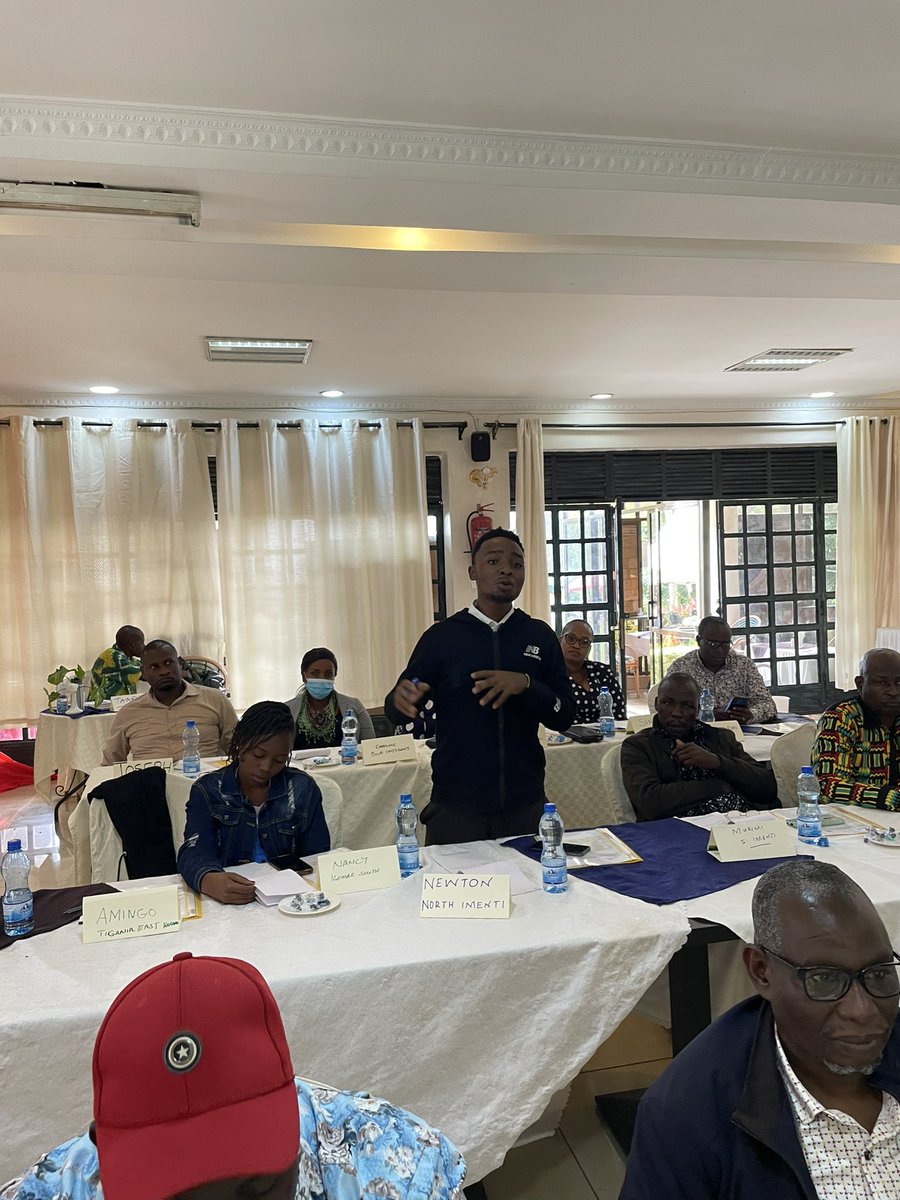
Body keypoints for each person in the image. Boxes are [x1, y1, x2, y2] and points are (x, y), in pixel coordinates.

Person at [1, 952, 466, 1200]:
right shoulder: (56, 1189)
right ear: (99, 1146)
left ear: (295, 1108)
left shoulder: (398, 1168)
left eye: (258, 1190)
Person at [620, 860, 900, 1198]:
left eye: (879, 972)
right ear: (761, 971)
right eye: (824, 978)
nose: (862, 1010)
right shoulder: (685, 1116)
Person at [384, 527, 575, 844]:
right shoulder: (442, 637)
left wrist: (526, 684)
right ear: (473, 571)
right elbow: (400, 709)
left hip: (525, 805)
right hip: (455, 809)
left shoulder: (539, 636)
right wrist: (399, 699)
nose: (506, 570)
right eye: (494, 561)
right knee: (452, 894)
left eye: (516, 564)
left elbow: (565, 714)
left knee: (528, 892)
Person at [177, 701, 330, 904]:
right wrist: (208, 879)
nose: (266, 767)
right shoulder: (209, 790)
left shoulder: (302, 788)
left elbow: (317, 856)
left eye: (279, 760)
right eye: (258, 755)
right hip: (231, 899)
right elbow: (194, 850)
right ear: (240, 745)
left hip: (290, 898)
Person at [620, 673, 777, 820]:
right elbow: (650, 803)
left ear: (698, 710)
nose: (676, 713)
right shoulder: (639, 746)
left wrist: (717, 762)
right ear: (656, 704)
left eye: (686, 706)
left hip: (739, 826)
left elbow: (768, 788)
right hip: (673, 833)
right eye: (668, 703)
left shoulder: (720, 738)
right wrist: (718, 787)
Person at [102, 639, 237, 764]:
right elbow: (111, 764)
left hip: (205, 785)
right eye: (154, 667)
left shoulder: (215, 700)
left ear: (180, 663)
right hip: (149, 787)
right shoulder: (128, 713)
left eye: (168, 663)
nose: (164, 671)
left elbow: (238, 749)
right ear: (143, 672)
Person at [813, 647, 900, 810]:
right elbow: (827, 785)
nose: (893, 692)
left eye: (899, 683)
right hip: (853, 821)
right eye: (882, 683)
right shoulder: (840, 718)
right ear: (860, 684)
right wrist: (889, 798)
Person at [666, 614, 776, 725]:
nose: (720, 650)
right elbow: (666, 709)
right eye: (713, 644)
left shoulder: (743, 665)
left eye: (726, 644)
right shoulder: (681, 668)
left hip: (740, 733)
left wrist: (750, 714)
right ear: (699, 640)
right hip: (695, 734)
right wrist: (706, 715)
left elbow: (768, 705)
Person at [286, 646, 375, 751]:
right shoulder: (287, 710)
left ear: (334, 676)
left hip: (346, 765)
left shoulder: (354, 705)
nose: (322, 678)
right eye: (314, 674)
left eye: (328, 674)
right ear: (303, 676)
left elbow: (371, 747)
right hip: (300, 767)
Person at [559, 618, 626, 722]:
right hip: (564, 736)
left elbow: (619, 714)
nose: (576, 646)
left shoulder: (603, 672)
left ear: (589, 648)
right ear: (560, 641)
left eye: (584, 642)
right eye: (571, 639)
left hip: (607, 734)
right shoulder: (550, 674)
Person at [89, 624, 144, 700]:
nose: (144, 646)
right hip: (101, 708)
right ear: (131, 645)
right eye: (142, 642)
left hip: (116, 706)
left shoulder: (129, 659)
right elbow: (146, 675)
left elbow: (147, 667)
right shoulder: (113, 656)